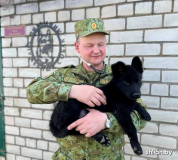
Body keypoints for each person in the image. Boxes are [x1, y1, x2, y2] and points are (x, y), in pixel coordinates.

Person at [26, 18, 148, 160]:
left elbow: (141, 118)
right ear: (77, 47)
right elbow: (31, 91)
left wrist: (107, 121)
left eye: (100, 44)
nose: (96, 50)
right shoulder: (64, 75)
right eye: (89, 45)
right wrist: (72, 91)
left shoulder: (122, 76)